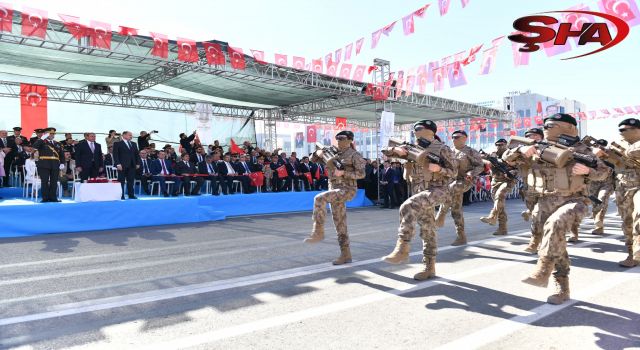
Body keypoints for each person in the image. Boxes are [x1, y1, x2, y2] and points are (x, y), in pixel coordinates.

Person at [507, 113, 609, 304]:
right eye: (545, 125)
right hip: (544, 201)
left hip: (575, 201)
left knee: (556, 224)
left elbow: (605, 172)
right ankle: (562, 287)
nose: (547, 128)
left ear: (568, 127)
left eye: (552, 125)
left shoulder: (582, 149)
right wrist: (521, 150)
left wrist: (589, 171)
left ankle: (542, 271)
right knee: (555, 242)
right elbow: (507, 158)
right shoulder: (537, 146)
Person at [380, 120, 457, 280]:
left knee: (406, 207)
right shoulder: (413, 148)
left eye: (419, 129)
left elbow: (454, 172)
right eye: (415, 129)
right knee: (427, 230)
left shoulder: (443, 149)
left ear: (431, 132)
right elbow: (385, 151)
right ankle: (429, 267)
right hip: (419, 192)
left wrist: (440, 169)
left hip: (438, 190)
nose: (416, 132)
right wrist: (396, 150)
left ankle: (402, 249)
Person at [304, 130, 366, 265]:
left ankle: (318, 231)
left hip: (347, 189)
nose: (339, 141)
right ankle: (346, 254)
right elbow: (311, 160)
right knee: (340, 224)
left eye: (342, 138)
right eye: (337, 138)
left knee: (319, 199)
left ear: (350, 140)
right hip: (333, 189)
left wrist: (344, 172)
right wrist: (317, 153)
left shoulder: (355, 155)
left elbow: (361, 174)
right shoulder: (331, 151)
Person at [434, 130, 484, 245]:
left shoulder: (471, 152)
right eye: (452, 137)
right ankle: (461, 236)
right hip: (451, 181)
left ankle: (441, 214)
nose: (454, 139)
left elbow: (480, 166)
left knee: (450, 189)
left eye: (457, 137)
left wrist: (472, 173)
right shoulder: (449, 151)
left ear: (465, 138)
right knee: (456, 210)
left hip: (465, 180)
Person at [603, 118, 640, 267]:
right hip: (623, 190)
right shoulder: (615, 145)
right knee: (627, 223)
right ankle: (631, 254)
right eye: (621, 130)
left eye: (626, 129)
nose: (622, 132)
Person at [503, 127, 545, 253]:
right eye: (529, 136)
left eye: (535, 136)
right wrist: (520, 148)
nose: (532, 138)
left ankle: (540, 242)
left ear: (541, 137)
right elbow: (506, 157)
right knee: (535, 215)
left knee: (543, 216)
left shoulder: (549, 148)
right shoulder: (522, 151)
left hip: (549, 189)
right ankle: (536, 241)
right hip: (530, 189)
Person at [479, 139, 518, 236]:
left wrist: (512, 172)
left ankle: (492, 216)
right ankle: (502, 228)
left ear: (506, 145)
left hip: (507, 181)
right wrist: (486, 160)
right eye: (497, 145)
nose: (499, 146)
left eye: (501, 144)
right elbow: (483, 160)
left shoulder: (511, 154)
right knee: (500, 205)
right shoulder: (492, 155)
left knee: (499, 196)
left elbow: (518, 167)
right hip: (495, 181)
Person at [589, 139, 615, 235]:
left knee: (602, 199)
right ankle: (599, 226)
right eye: (598, 146)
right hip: (593, 184)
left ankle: (599, 219)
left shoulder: (610, 157)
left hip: (606, 183)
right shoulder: (591, 155)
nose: (600, 148)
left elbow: (616, 168)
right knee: (595, 203)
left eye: (602, 147)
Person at [31, 127, 65, 202]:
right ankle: (45, 198)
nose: (52, 135)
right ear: (46, 134)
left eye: (53, 134)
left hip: (55, 164)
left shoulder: (58, 143)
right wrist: (41, 139)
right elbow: (34, 147)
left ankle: (53, 198)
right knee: (45, 181)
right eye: (50, 133)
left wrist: (62, 163)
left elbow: (61, 154)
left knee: (54, 181)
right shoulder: (41, 142)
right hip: (44, 164)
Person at [112, 131, 141, 200]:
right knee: (121, 181)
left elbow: (137, 154)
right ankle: (121, 195)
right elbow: (115, 155)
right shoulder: (117, 143)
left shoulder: (134, 144)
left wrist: (138, 163)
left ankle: (131, 195)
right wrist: (118, 164)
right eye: (129, 135)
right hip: (122, 165)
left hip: (132, 165)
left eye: (131, 135)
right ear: (124, 135)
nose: (131, 136)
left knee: (131, 181)